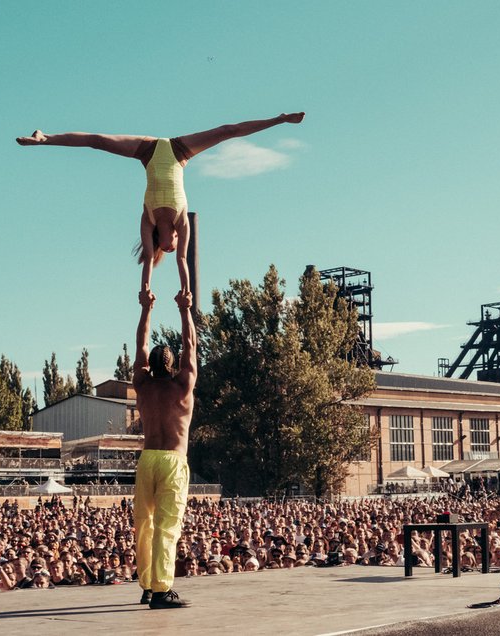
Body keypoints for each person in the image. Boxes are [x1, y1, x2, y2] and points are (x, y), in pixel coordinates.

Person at [16, 114, 305, 293]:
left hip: (148, 151)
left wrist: (145, 291)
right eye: (175, 241)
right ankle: (280, 120)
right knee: (226, 131)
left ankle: (44, 139)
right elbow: (183, 261)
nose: (175, 241)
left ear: (160, 241)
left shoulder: (149, 219)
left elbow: (149, 264)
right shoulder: (181, 221)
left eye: (170, 243)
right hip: (179, 152)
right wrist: (186, 291)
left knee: (98, 141)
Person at [132, 288, 197, 609]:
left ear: (149, 365)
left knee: (144, 523)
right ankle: (161, 590)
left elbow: (140, 345)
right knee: (167, 526)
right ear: (174, 365)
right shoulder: (182, 386)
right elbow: (191, 345)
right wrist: (185, 310)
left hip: (147, 459)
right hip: (172, 460)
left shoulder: (142, 385)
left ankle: (146, 585)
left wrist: (146, 309)